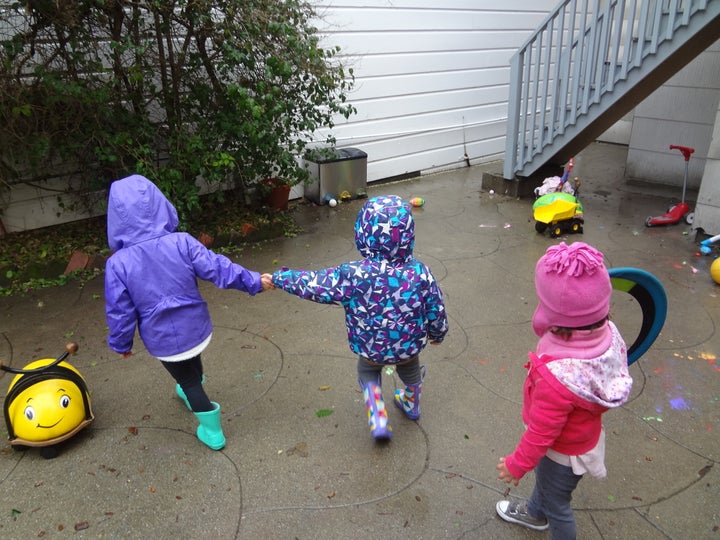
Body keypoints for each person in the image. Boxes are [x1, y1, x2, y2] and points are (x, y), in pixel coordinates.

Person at [104, 174, 274, 450]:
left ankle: (212, 431)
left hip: (161, 338)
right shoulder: (182, 242)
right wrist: (254, 281)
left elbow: (119, 311)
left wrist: (121, 343)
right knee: (191, 358)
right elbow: (219, 267)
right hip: (197, 327)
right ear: (160, 203)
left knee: (186, 378)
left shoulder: (118, 264)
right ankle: (190, 386)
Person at [272, 195, 448, 440]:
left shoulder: (354, 275)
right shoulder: (420, 272)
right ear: (408, 234)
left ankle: (378, 417)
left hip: (370, 347)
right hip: (408, 346)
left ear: (363, 234)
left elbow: (315, 283)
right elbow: (435, 307)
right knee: (410, 368)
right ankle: (412, 404)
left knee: (367, 372)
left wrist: (281, 278)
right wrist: (438, 333)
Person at [495, 241, 633, 539]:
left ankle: (543, 514)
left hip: (562, 453)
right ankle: (534, 513)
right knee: (547, 488)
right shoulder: (607, 334)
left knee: (559, 504)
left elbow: (542, 434)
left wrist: (516, 465)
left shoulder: (557, 378)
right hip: (583, 438)